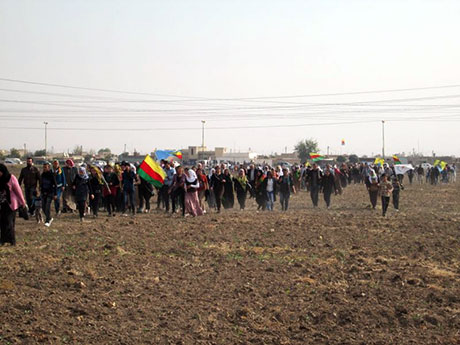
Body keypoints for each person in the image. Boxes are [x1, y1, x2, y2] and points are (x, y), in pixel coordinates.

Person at [0, 164, 25, 246]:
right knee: (2, 222)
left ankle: (12, 240)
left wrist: (23, 202)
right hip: (2, 204)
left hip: (11, 204)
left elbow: (18, 191)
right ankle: (3, 240)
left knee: (9, 222)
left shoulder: (11, 178)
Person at [40, 162, 57, 227]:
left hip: (50, 193)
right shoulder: (42, 175)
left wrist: (55, 194)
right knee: (43, 207)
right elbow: (41, 184)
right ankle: (49, 217)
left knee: (47, 206)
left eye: (46, 167)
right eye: (43, 167)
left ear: (48, 168)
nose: (44, 168)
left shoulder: (52, 175)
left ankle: (47, 221)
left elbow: (55, 185)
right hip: (43, 193)